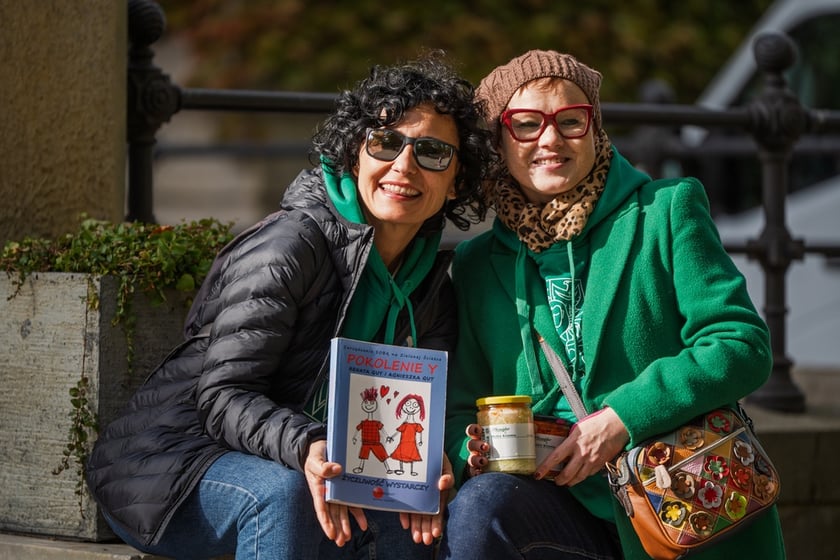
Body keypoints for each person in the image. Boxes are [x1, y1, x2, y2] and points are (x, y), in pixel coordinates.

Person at [85, 53, 492, 560]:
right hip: (176, 467)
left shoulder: (432, 281)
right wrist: (309, 446)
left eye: (432, 152)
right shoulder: (289, 246)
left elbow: (414, 422)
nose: (404, 166)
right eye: (385, 143)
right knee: (287, 495)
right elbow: (222, 396)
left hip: (325, 465)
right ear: (353, 155)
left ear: (456, 179)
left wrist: (435, 463)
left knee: (415, 517)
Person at [439, 50, 786, 559]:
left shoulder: (665, 211)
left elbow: (741, 344)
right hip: (553, 507)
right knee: (479, 507)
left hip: (675, 504)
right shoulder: (474, 263)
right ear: (497, 139)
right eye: (526, 124)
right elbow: (458, 409)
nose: (550, 140)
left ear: (594, 127)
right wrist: (476, 450)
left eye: (570, 121)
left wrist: (622, 417)